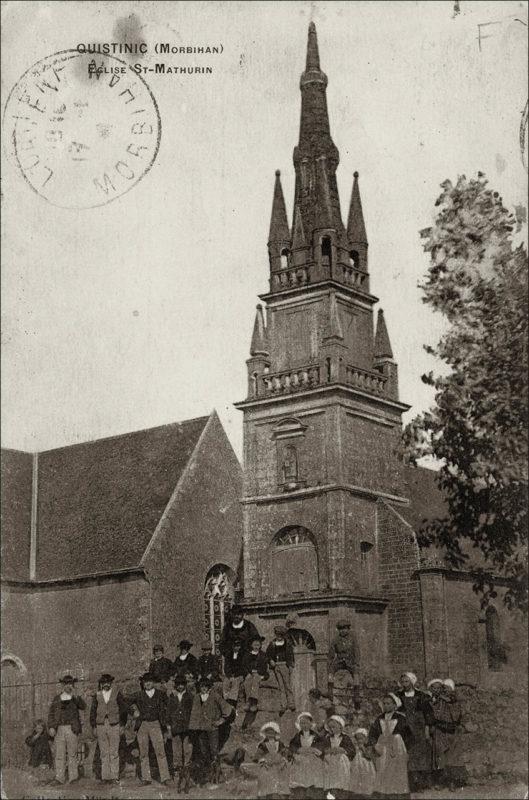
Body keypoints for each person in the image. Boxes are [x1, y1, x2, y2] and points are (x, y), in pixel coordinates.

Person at [188, 677, 234, 787]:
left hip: (212, 729)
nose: (203, 689)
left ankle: (217, 776)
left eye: (205, 687)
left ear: (209, 688)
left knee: (214, 752)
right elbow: (194, 714)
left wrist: (220, 721)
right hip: (200, 730)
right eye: (201, 687)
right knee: (204, 753)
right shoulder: (196, 698)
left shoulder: (215, 696)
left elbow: (227, 709)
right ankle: (207, 776)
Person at [127, 672, 171, 786]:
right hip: (142, 725)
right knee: (143, 752)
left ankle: (165, 778)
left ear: (153, 683)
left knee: (160, 751)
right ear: (142, 683)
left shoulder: (160, 694)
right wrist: (134, 711)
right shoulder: (139, 694)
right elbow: (124, 701)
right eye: (145, 682)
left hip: (156, 724)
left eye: (150, 681)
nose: (148, 683)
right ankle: (146, 778)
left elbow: (170, 706)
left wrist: (166, 722)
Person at [367, 693, 413, 798]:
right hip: (383, 747)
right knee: (383, 769)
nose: (386, 706)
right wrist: (373, 744)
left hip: (397, 748)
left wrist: (407, 750)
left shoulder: (401, 718)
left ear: (394, 705)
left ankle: (397, 793)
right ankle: (384, 792)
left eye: (389, 703)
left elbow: (408, 735)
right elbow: (373, 733)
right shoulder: (379, 718)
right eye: (384, 704)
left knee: (397, 770)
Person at [428, 678, 468, 791]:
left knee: (453, 758)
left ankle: (452, 782)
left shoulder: (454, 701)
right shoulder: (436, 700)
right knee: (441, 757)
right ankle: (442, 781)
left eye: (448, 689)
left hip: (452, 731)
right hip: (440, 730)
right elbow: (434, 713)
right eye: (444, 689)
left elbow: (456, 716)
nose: (446, 691)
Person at [47, 674, 87, 786]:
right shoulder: (57, 698)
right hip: (59, 728)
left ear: (73, 685)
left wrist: (76, 695)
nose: (68, 686)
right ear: (63, 685)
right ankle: (59, 778)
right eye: (66, 683)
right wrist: (51, 727)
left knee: (72, 754)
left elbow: (83, 706)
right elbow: (51, 714)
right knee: (59, 754)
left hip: (72, 728)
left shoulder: (75, 698)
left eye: (70, 683)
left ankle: (73, 778)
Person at [397, 671, 433, 792]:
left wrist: (427, 730)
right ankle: (408, 784)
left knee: (420, 756)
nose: (404, 684)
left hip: (419, 730)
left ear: (412, 682)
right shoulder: (398, 695)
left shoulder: (422, 696)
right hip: (405, 729)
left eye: (407, 681)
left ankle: (419, 784)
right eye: (402, 682)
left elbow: (428, 714)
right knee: (407, 755)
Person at [89, 673, 128, 784]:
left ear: (111, 683)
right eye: (103, 683)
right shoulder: (97, 695)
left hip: (114, 724)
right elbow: (93, 712)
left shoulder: (117, 694)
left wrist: (122, 725)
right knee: (104, 752)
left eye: (107, 682)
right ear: (101, 684)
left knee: (114, 751)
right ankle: (105, 777)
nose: (105, 685)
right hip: (101, 725)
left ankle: (114, 776)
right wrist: (94, 726)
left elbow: (123, 710)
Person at [166, 675, 194, 793]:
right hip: (176, 728)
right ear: (175, 685)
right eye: (178, 684)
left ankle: (188, 777)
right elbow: (168, 713)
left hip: (187, 728)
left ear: (185, 685)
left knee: (187, 751)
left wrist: (192, 727)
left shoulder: (190, 697)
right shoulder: (172, 698)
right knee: (176, 752)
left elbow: (193, 712)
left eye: (182, 684)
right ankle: (178, 775)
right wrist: (168, 728)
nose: (180, 686)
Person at [289, 711, 325, 799]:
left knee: (313, 767)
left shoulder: (316, 736)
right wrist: (298, 750)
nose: (304, 725)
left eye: (306, 723)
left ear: (311, 724)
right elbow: (292, 745)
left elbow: (321, 745)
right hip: (301, 756)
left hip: (312, 756)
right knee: (299, 766)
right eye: (302, 723)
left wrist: (314, 750)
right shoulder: (297, 736)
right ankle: (301, 787)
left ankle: (312, 788)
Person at [253, 721, 291, 799]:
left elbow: (285, 752)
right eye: (268, 733)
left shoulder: (280, 743)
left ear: (276, 733)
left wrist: (284, 757)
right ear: (265, 734)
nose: (270, 735)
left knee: (282, 774)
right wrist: (263, 760)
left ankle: (280, 794)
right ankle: (267, 794)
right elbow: (258, 754)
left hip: (278, 764)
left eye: (272, 733)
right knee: (265, 777)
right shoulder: (263, 744)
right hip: (268, 765)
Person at [328, 619, 360, 709]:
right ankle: (330, 692)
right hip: (339, 660)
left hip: (349, 660)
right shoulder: (336, 639)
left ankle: (356, 694)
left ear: (348, 629)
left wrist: (356, 662)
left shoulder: (352, 639)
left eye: (345, 629)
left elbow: (356, 651)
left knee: (356, 672)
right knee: (331, 670)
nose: (343, 631)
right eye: (341, 629)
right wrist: (330, 663)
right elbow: (331, 653)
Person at [322, 715, 355, 799]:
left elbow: (352, 750)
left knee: (341, 783)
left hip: (341, 763)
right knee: (332, 784)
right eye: (330, 727)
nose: (332, 729)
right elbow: (323, 749)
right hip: (330, 763)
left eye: (334, 727)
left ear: (340, 726)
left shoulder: (345, 738)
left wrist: (342, 749)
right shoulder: (328, 738)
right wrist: (328, 750)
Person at [266, 625, 296, 713]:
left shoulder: (287, 643)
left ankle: (291, 703)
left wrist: (290, 666)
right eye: (277, 635)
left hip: (284, 665)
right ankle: (283, 705)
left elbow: (290, 655)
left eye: (281, 635)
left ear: (283, 635)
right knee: (280, 686)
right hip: (276, 666)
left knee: (287, 685)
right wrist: (271, 660)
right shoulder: (272, 644)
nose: (279, 637)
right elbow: (267, 655)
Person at [242, 634, 269, 729]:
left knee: (255, 679)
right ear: (251, 645)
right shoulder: (247, 655)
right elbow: (244, 666)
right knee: (248, 681)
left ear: (260, 645)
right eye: (255, 644)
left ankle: (254, 702)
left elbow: (264, 668)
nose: (256, 645)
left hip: (260, 674)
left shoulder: (263, 655)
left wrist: (257, 672)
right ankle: (248, 702)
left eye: (258, 644)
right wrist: (248, 673)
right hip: (250, 674)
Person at [349, 728, 376, 798]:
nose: (359, 741)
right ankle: (357, 792)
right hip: (357, 765)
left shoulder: (368, 747)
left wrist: (363, 748)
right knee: (356, 776)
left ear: (365, 739)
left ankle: (366, 792)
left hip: (366, 765)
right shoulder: (356, 747)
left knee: (366, 778)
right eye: (357, 739)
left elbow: (368, 756)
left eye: (361, 739)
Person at [222, 637, 246, 707]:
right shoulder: (229, 655)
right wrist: (229, 675)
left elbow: (243, 667)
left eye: (238, 646)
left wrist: (235, 675)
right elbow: (226, 667)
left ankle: (232, 701)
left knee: (235, 683)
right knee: (225, 682)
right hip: (230, 675)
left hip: (239, 675)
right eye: (235, 646)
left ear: (240, 646)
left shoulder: (243, 655)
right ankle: (226, 699)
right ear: (232, 646)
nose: (236, 648)